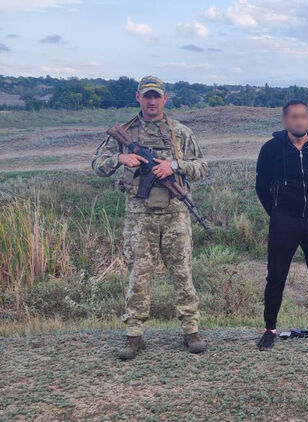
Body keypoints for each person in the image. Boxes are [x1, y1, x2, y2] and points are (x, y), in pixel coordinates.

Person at [92, 76, 209, 359]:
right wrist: (120, 159)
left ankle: (191, 331)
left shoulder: (180, 132)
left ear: (165, 99)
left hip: (175, 213)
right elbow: (97, 165)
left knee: (182, 272)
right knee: (139, 275)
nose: (152, 101)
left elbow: (202, 167)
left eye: (157, 96)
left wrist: (173, 166)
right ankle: (134, 335)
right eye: (147, 96)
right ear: (138, 98)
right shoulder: (124, 133)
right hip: (139, 215)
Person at [254, 100, 308, 351]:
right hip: (284, 221)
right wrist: (277, 212)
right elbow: (262, 186)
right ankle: (269, 329)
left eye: (303, 116)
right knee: (276, 276)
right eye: (294, 117)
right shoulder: (271, 149)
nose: (299, 121)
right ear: (285, 120)